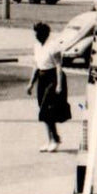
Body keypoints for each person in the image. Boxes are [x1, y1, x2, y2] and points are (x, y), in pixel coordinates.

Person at [24, 21, 70, 152]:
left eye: (37, 34)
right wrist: (31, 84)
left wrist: (59, 85)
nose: (35, 36)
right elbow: (36, 65)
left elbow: (59, 66)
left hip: (53, 79)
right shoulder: (37, 46)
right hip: (42, 78)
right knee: (43, 111)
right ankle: (50, 140)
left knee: (46, 110)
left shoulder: (53, 46)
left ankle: (55, 139)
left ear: (43, 34)